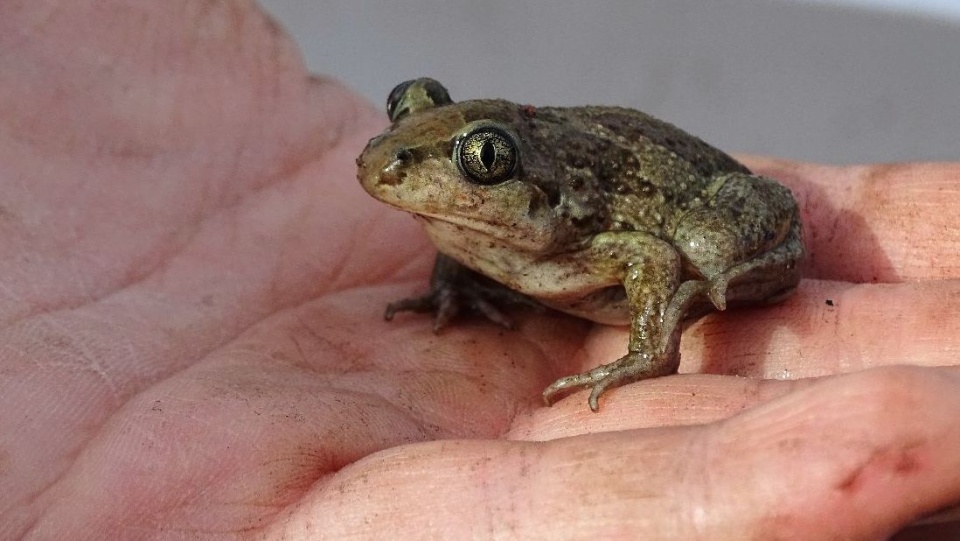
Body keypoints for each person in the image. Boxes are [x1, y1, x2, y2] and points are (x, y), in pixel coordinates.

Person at [1, 1, 957, 538]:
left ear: (526, 187)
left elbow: (647, 248)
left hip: (687, 189)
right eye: (406, 117)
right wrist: (458, 276)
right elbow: (448, 218)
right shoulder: (459, 220)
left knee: (708, 249)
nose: (404, 162)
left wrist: (643, 350)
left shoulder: (586, 230)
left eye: (479, 164)